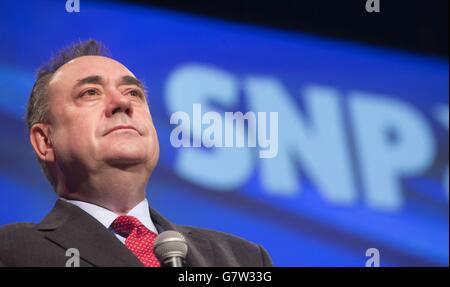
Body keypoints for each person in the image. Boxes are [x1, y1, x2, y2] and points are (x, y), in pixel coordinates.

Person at [0, 40, 273, 267]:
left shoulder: (243, 259)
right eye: (90, 92)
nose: (122, 102)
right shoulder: (12, 251)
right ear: (45, 141)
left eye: (133, 92)